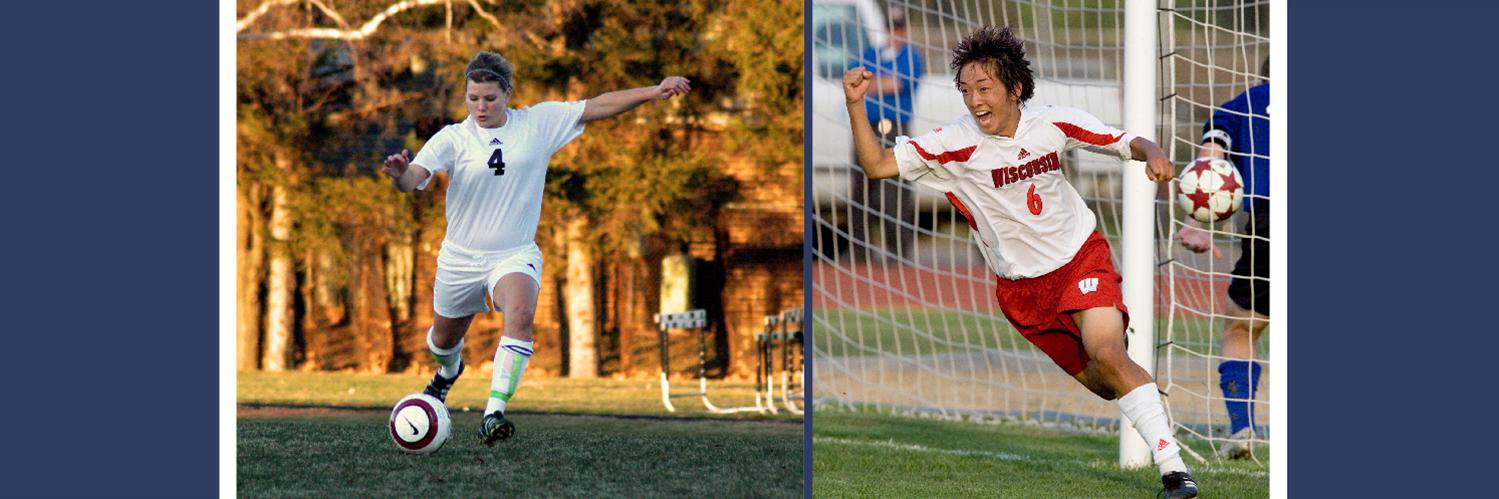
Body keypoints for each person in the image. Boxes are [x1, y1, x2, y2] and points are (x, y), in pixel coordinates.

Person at [841, 26, 1198, 498]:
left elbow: (1122, 139)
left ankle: (1174, 472)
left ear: (1014, 88)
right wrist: (854, 104)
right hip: (1022, 290)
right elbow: (877, 166)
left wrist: (1153, 153)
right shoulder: (954, 144)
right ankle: (1114, 359)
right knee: (1106, 384)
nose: (974, 100)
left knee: (1108, 352)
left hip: (1079, 258)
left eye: (984, 88)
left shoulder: (1052, 123)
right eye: (965, 91)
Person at [380, 51, 691, 447]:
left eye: (490, 98)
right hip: (459, 258)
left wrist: (654, 91)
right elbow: (412, 181)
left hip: (513, 254)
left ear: (507, 93)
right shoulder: (452, 138)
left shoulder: (538, 123)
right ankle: (447, 373)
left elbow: (599, 105)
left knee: (522, 313)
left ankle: (493, 414)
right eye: (473, 98)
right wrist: (399, 175)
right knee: (442, 342)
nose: (481, 106)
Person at [1172, 58, 1270, 460]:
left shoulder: (1243, 104)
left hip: (1268, 220)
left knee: (1241, 327)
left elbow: (1208, 168)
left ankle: (1242, 426)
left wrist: (1197, 223)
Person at [846, 9, 925, 261]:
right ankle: (860, 250)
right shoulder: (870, 54)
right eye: (891, 27)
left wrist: (874, 84)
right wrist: (880, 83)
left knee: (896, 191)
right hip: (867, 126)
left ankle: (898, 250)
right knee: (861, 188)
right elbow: (856, 82)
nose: (895, 33)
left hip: (895, 127)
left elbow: (899, 84)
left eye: (899, 28)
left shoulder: (911, 56)